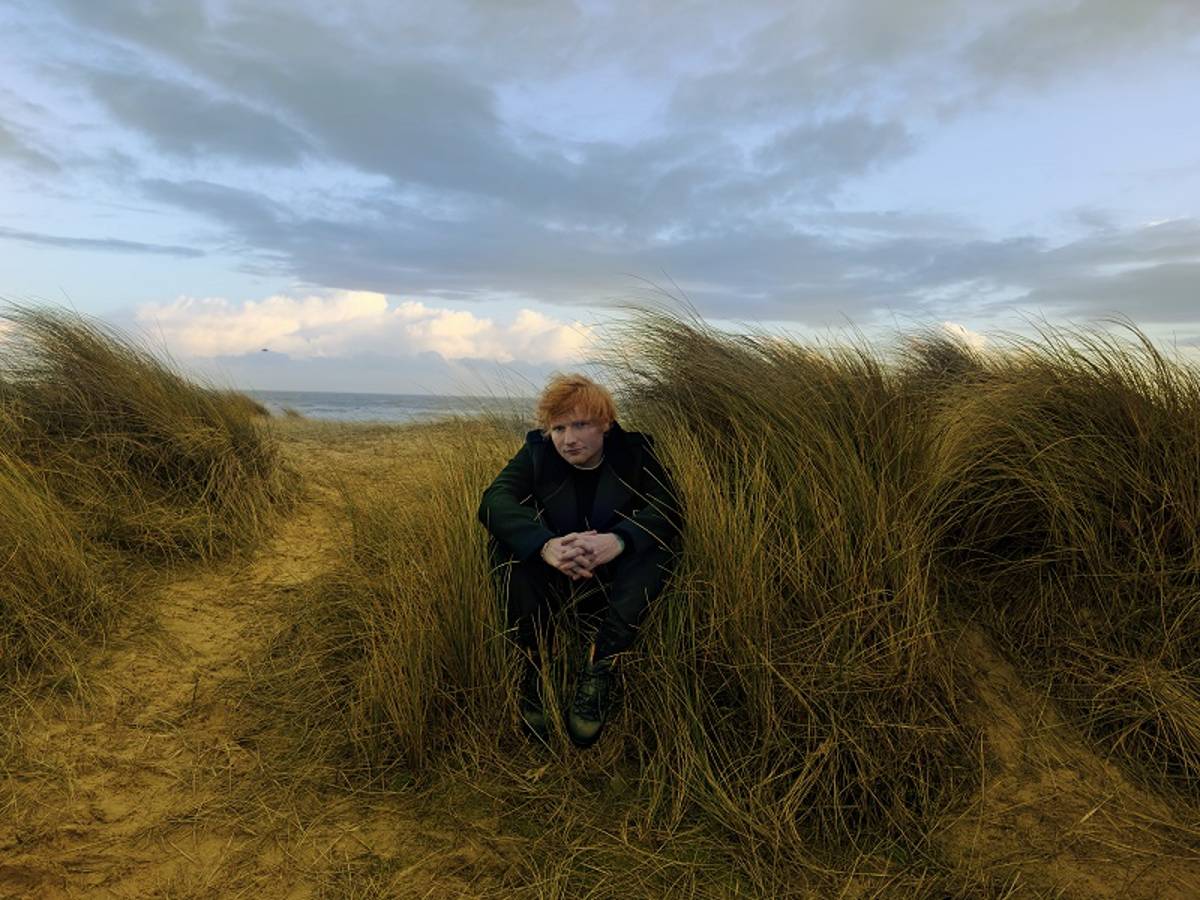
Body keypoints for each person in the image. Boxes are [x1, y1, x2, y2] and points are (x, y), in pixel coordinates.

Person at [478, 373, 680, 747]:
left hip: (615, 580)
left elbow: (669, 507)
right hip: (557, 574)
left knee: (655, 545)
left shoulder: (636, 452)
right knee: (507, 545)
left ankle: (602, 660)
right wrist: (545, 546)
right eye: (558, 429)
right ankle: (538, 658)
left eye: (581, 425)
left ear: (605, 423)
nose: (568, 440)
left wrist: (619, 540)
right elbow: (495, 500)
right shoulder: (537, 452)